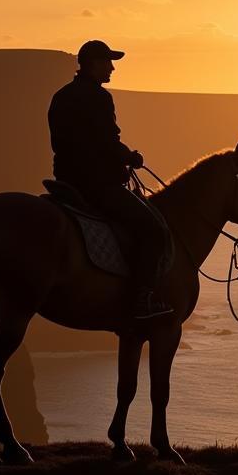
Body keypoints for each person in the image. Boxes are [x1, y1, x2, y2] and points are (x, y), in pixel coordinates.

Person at [47, 39, 173, 321]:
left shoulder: (61, 95)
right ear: (93, 64)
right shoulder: (99, 97)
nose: (112, 68)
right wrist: (130, 157)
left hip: (67, 180)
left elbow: (66, 141)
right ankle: (142, 299)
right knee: (153, 230)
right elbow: (106, 141)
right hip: (96, 184)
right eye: (108, 62)